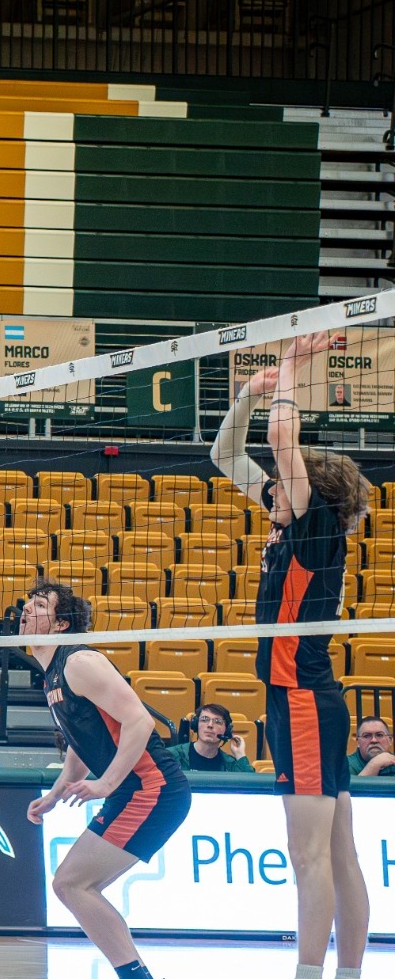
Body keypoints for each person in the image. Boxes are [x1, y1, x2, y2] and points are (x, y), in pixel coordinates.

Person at [213, 332, 371, 979]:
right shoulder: (288, 521)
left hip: (303, 701)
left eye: (280, 482)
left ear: (306, 492)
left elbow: (284, 442)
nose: (269, 488)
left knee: (311, 857)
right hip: (309, 699)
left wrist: (294, 370)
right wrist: (250, 396)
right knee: (339, 854)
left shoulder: (313, 525)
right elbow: (226, 453)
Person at [23, 580, 191, 979]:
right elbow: (85, 741)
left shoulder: (79, 662)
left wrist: (107, 784)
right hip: (139, 792)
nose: (27, 608)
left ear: (62, 624)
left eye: (40, 604)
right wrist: (56, 792)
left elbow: (139, 720)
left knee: (71, 884)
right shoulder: (52, 674)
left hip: (152, 789)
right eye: (28, 601)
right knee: (76, 886)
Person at [172, 703, 257, 773]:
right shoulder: (173, 755)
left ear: (227, 730)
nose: (210, 725)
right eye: (204, 720)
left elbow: (251, 786)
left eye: (217, 722)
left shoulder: (229, 764)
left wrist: (240, 754)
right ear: (196, 725)